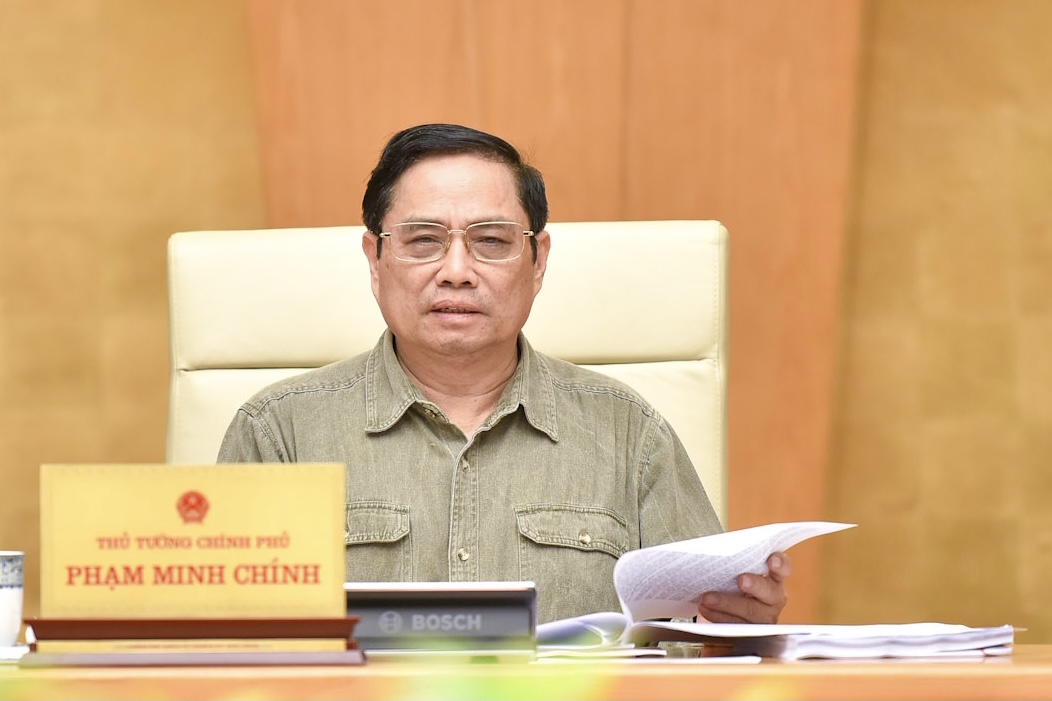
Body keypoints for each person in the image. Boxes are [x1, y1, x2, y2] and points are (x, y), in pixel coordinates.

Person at [217, 123, 791, 624]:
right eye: (423, 240)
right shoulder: (278, 433)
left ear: (538, 262)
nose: (456, 271)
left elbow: (694, 650)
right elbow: (228, 655)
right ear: (375, 258)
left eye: (491, 241)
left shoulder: (630, 432)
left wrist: (736, 630)